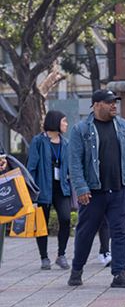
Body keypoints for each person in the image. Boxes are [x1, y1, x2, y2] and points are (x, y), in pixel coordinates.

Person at [68, 89, 125, 288]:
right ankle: (77, 270)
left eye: (115, 102)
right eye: (109, 102)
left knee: (119, 232)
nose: (114, 105)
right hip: (93, 192)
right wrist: (81, 188)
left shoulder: (124, 126)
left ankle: (119, 274)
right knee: (85, 233)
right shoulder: (80, 129)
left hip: (120, 190)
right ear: (96, 105)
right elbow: (74, 163)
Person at [26, 110, 73, 270]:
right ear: (55, 122)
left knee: (66, 219)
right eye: (64, 121)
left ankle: (61, 255)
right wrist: (30, 192)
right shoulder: (38, 141)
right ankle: (44, 257)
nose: (66, 124)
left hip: (61, 189)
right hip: (42, 190)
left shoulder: (65, 143)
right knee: (42, 224)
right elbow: (31, 168)